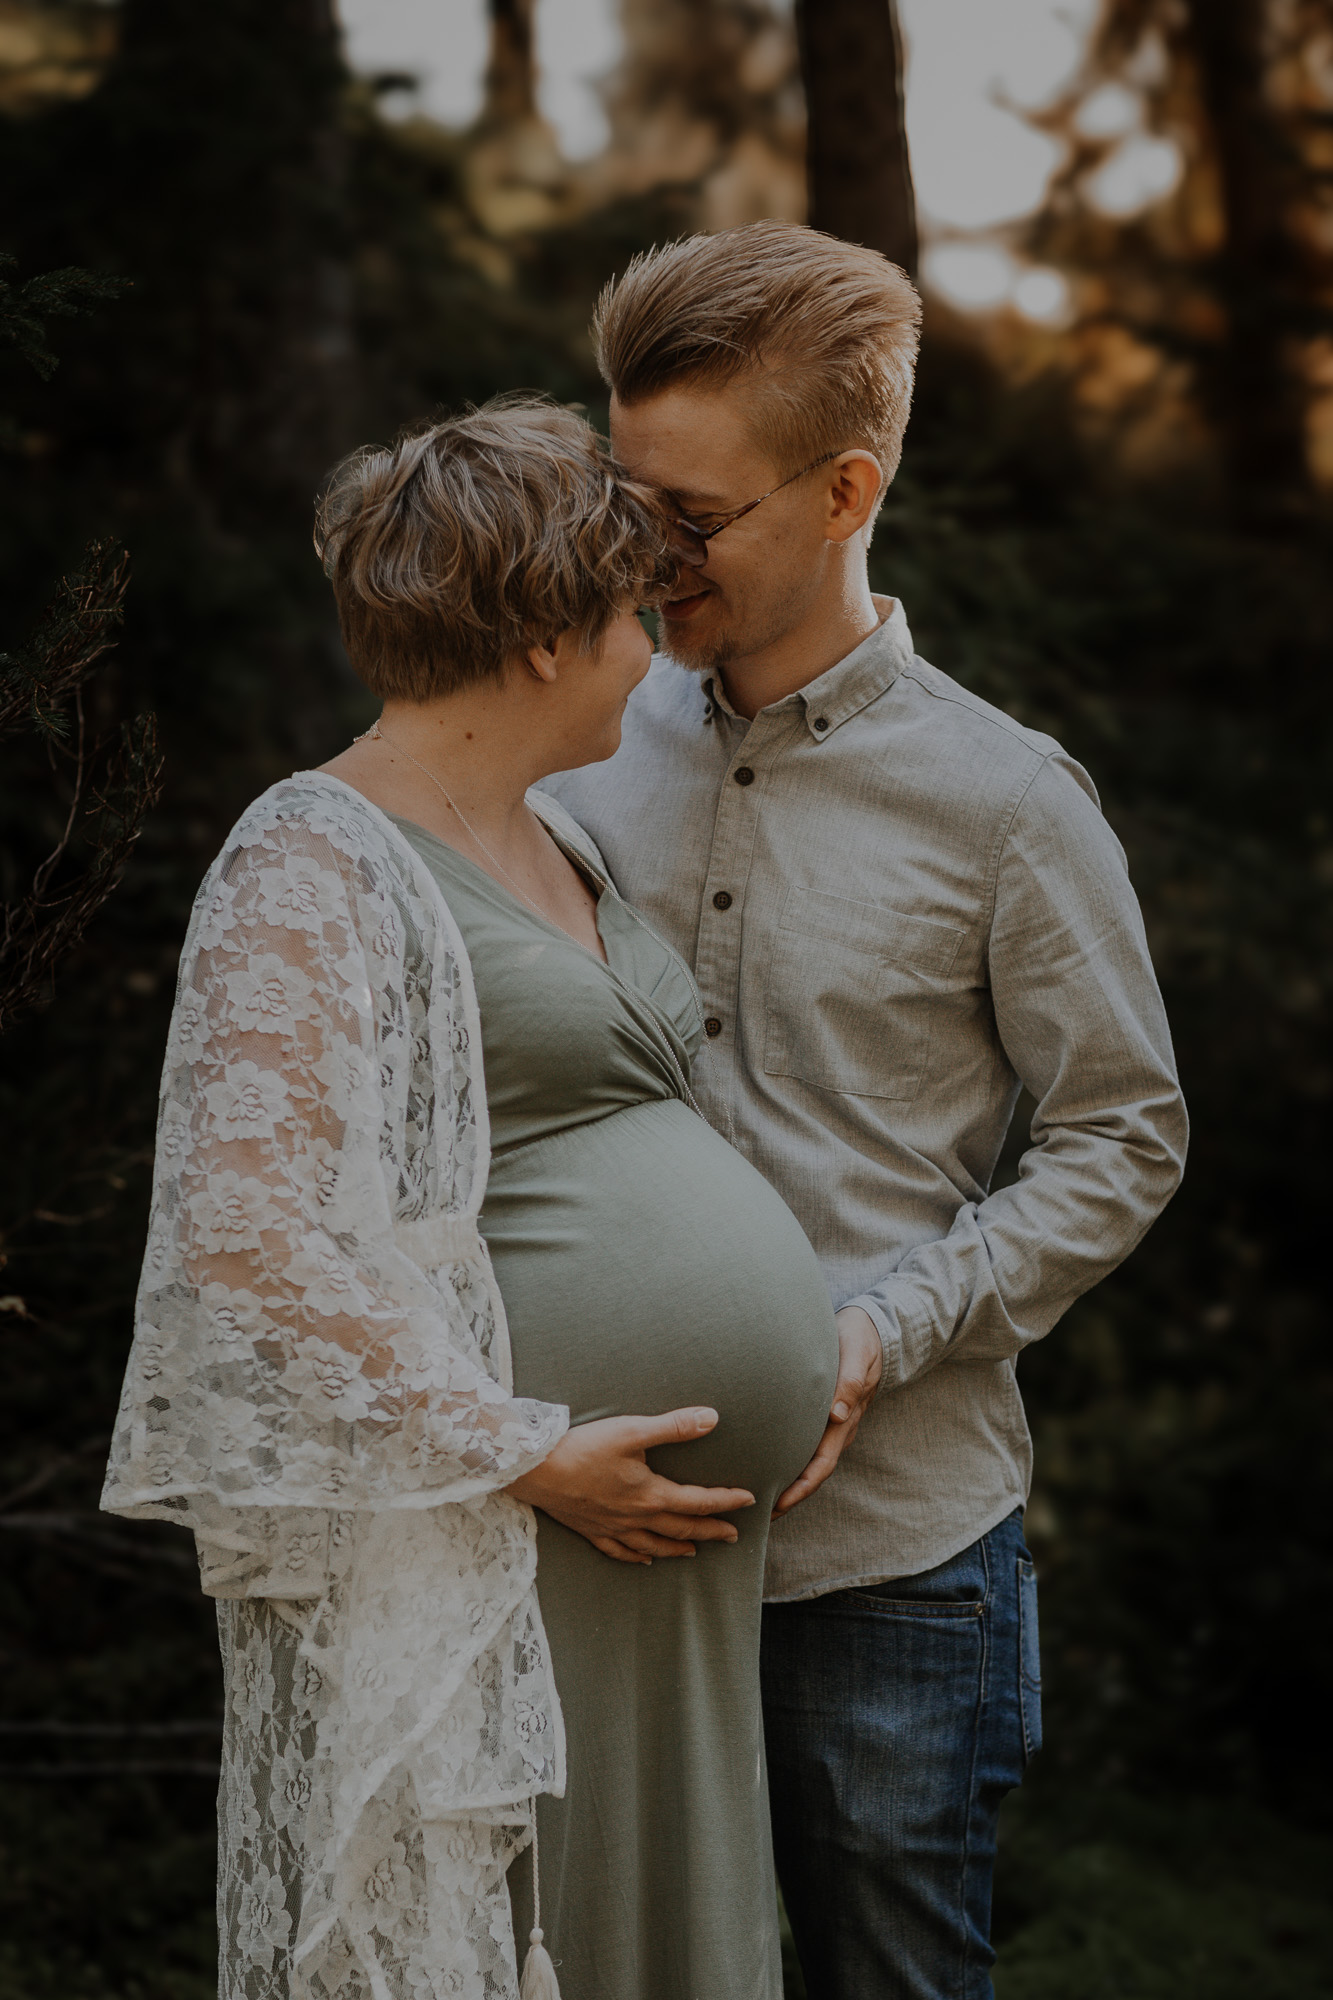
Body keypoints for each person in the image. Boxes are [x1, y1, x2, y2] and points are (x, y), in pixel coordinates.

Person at [101, 398, 839, 2000]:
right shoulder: (308, 863)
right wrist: (520, 1451)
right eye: (630, 615)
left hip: (652, 1552)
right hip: (512, 1533)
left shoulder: (554, 835)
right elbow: (245, 1237)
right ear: (538, 639)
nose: (654, 650)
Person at [543, 222, 1190, 2000]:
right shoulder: (572, 735)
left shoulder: (1004, 803)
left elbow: (1124, 1133)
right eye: (625, 496)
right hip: (597, 1529)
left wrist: (878, 1331)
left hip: (889, 1564)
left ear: (842, 491)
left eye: (692, 519)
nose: (638, 553)